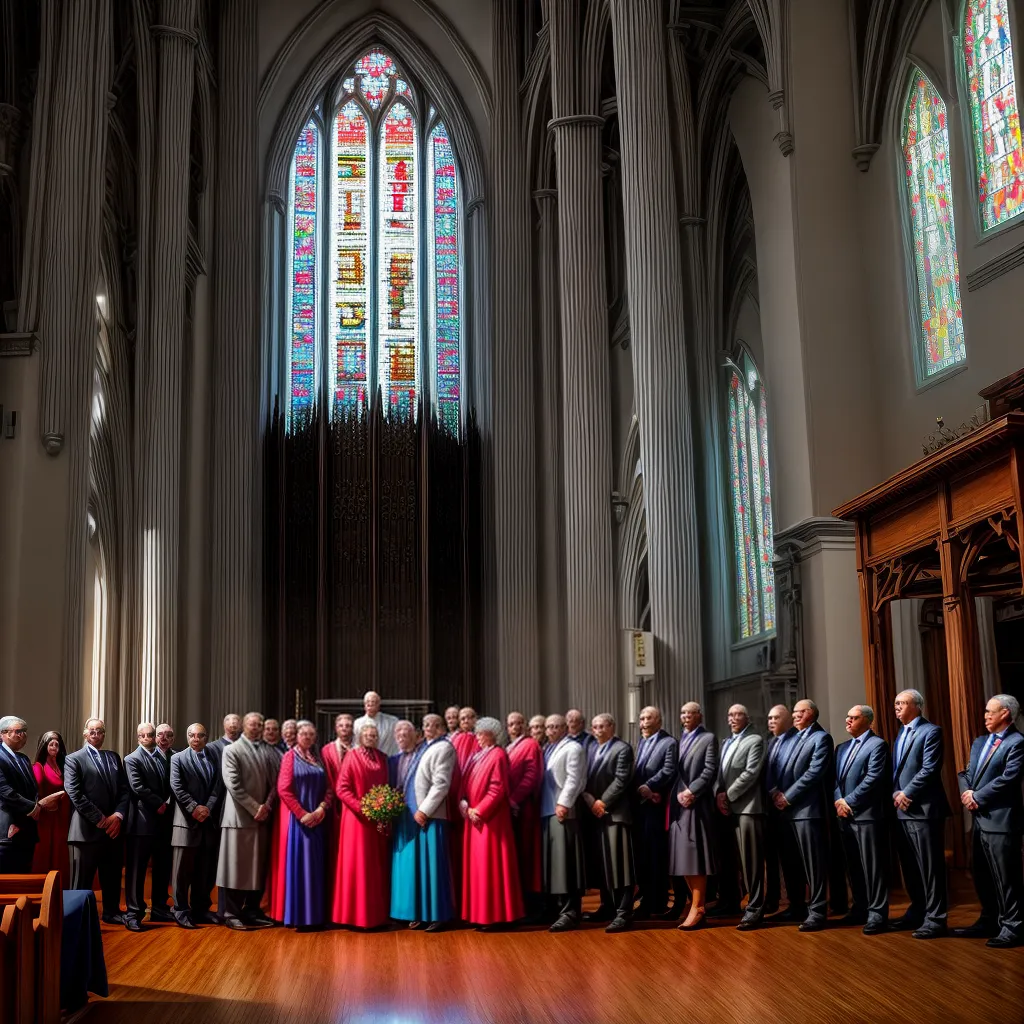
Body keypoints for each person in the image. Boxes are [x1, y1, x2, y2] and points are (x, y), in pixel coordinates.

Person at [955, 694, 1024, 948]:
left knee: (1007, 876)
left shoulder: (1017, 742)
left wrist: (978, 796)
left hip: (1001, 822)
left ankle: (1014, 926)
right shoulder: (979, 741)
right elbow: (966, 772)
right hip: (980, 820)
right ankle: (989, 920)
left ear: (1005, 713)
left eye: (990, 712)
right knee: (981, 873)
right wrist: (967, 794)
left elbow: (1009, 778)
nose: (985, 716)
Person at [891, 688, 949, 939]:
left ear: (917, 706)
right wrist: (895, 792)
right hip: (902, 810)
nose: (897, 707)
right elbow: (897, 770)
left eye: (902, 703)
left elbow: (929, 768)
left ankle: (936, 919)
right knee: (911, 867)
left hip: (923, 810)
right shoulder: (900, 733)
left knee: (930, 867)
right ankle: (917, 911)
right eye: (895, 703)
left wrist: (907, 793)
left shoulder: (931, 731)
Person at [772, 698, 833, 932]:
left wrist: (788, 796)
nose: (795, 715)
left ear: (812, 713)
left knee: (813, 864)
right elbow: (777, 768)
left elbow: (814, 772)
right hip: (785, 811)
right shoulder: (791, 739)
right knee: (791, 863)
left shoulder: (821, 738)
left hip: (807, 811)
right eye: (794, 712)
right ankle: (796, 906)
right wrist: (775, 792)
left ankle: (817, 911)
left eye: (800, 712)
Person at [391, 715, 457, 932]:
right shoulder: (424, 748)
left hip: (431, 815)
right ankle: (421, 913)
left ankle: (439, 915)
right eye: (426, 725)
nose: (429, 728)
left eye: (434, 725)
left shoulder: (444, 748)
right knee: (421, 869)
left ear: (441, 728)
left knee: (434, 867)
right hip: (415, 816)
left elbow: (441, 784)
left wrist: (425, 810)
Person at [216, 711, 281, 931]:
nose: (257, 727)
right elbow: (233, 785)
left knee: (257, 868)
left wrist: (267, 806)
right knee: (235, 868)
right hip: (240, 818)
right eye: (253, 724)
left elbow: (275, 782)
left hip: (261, 818)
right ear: (244, 725)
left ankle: (252, 910)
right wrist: (256, 808)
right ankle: (231, 913)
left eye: (260, 724)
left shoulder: (267, 750)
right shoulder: (232, 750)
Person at [460, 717, 524, 929]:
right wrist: (465, 804)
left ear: (491, 735)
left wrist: (481, 809)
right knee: (479, 868)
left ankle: (497, 915)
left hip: (491, 820)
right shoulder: (478, 755)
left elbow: (498, 788)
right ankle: (480, 914)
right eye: (477, 733)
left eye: (481, 733)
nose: (477, 737)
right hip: (475, 818)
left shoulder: (497, 755)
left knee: (492, 867)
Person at [64, 718, 129, 923]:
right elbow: (74, 793)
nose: (96, 734)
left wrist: (117, 816)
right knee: (81, 881)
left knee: (111, 876)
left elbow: (124, 791)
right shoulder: (74, 759)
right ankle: (77, 919)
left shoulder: (113, 757)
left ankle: (111, 912)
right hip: (85, 830)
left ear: (104, 734)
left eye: (100, 731)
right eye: (91, 731)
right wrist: (101, 819)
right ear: (85, 734)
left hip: (113, 830)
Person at [833, 704, 889, 935]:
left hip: (866, 815)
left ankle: (877, 913)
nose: (848, 721)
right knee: (853, 866)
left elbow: (873, 778)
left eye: (854, 718)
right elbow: (835, 780)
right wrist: (839, 800)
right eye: (847, 717)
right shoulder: (841, 747)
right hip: (844, 816)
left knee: (872, 867)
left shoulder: (878, 745)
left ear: (868, 721)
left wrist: (849, 802)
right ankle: (860, 908)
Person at [270, 721, 330, 930]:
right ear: (297, 736)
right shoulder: (290, 757)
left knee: (315, 868)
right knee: (301, 868)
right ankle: (300, 917)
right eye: (303, 734)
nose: (307, 737)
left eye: (310, 734)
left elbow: (329, 789)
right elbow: (284, 790)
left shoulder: (318, 758)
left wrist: (322, 808)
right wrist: (302, 814)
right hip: (300, 823)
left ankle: (316, 916)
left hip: (318, 819)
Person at [333, 723, 390, 929]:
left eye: (374, 735)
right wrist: (364, 808)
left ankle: (375, 916)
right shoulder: (351, 756)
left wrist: (383, 811)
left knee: (375, 867)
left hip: (377, 820)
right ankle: (353, 917)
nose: (371, 737)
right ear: (360, 736)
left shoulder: (383, 758)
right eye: (367, 734)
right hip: (356, 821)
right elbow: (342, 788)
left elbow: (386, 787)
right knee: (357, 866)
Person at [714, 704, 766, 930]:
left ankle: (754, 908)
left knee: (751, 862)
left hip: (747, 808)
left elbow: (751, 773)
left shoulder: (755, 740)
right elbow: (719, 773)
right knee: (728, 860)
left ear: (747, 717)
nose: (733, 718)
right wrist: (718, 794)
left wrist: (729, 795)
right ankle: (730, 902)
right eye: (730, 715)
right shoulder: (726, 742)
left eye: (737, 715)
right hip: (726, 808)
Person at [581, 714, 635, 932]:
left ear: (612, 726)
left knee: (620, 865)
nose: (597, 730)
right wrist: (591, 800)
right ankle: (607, 906)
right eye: (594, 726)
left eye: (602, 726)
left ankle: (624, 912)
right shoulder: (592, 749)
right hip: (597, 813)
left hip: (615, 813)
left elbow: (622, 778)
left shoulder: (622, 748)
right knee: (604, 865)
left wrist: (602, 801)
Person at [667, 702, 718, 929]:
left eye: (691, 712)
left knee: (695, 856)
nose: (686, 715)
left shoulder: (708, 738)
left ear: (700, 715)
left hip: (695, 804)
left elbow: (709, 769)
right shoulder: (680, 739)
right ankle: (696, 904)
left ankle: (698, 906)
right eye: (683, 712)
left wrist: (692, 791)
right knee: (683, 858)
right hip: (679, 805)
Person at [169, 724, 224, 928]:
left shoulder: (214, 757)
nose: (196, 739)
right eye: (191, 735)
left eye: (200, 735)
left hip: (207, 822)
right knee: (182, 872)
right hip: (186, 822)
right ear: (187, 736)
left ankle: (201, 909)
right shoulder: (178, 758)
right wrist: (195, 808)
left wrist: (207, 808)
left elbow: (219, 785)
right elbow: (177, 787)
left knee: (205, 870)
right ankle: (181, 910)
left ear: (206, 737)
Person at [124, 722, 174, 930]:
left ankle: (160, 908)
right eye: (143, 735)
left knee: (162, 867)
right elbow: (137, 786)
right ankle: (133, 913)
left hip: (163, 823)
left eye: (151, 735)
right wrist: (159, 803)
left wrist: (167, 803)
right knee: (137, 869)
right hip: (142, 822)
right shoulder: (132, 759)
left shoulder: (163, 758)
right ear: (138, 738)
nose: (148, 738)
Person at [540, 714, 587, 932]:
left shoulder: (573, 748)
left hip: (562, 811)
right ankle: (558, 908)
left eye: (556, 726)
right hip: (547, 811)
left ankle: (570, 912)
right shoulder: (547, 749)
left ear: (565, 728)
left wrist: (564, 804)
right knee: (555, 865)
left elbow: (574, 779)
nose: (551, 730)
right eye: (548, 727)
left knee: (566, 864)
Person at [631, 706, 677, 918]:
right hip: (641, 805)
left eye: (649, 718)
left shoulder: (669, 742)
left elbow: (669, 770)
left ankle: (657, 902)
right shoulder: (641, 742)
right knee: (642, 856)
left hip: (658, 807)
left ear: (659, 721)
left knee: (656, 856)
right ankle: (647, 898)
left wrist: (650, 787)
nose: (644, 722)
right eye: (641, 719)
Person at [764, 704, 805, 918]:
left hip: (792, 808)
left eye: (776, 718)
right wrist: (773, 793)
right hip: (774, 808)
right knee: (777, 859)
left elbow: (798, 773)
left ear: (788, 720)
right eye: (769, 718)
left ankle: (798, 905)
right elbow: (768, 773)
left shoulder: (796, 740)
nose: (771, 722)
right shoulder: (771, 742)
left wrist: (785, 796)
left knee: (793, 860)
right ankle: (781, 902)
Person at [506, 711, 543, 913]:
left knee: (528, 856)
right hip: (512, 811)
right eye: (511, 723)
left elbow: (531, 776)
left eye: (519, 723)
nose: (515, 727)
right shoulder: (509, 747)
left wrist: (514, 799)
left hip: (525, 808)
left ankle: (533, 906)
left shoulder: (529, 745)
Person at [0, 716, 40, 873]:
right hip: (7, 828)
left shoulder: (23, 759)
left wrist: (34, 807)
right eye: (18, 731)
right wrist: (32, 808)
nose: (22, 735)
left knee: (23, 880)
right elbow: (4, 791)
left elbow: (32, 790)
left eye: (24, 732)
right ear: (3, 734)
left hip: (27, 830)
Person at [31, 730, 71, 882]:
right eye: (51, 744)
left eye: (57, 744)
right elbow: (38, 794)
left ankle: (61, 889)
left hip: (62, 817)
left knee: (60, 853)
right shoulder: (38, 767)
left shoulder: (63, 766)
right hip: (47, 819)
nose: (54, 747)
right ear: (44, 746)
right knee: (46, 853)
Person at [352, 692, 400, 757]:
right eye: (367, 702)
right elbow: (356, 744)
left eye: (373, 702)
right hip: (364, 760)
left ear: (378, 704)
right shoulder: (358, 723)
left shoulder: (392, 721)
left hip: (386, 759)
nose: (370, 704)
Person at [451, 707, 479, 772]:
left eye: (469, 718)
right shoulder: (454, 738)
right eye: (463, 719)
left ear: (475, 719)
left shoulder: (480, 737)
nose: (466, 721)